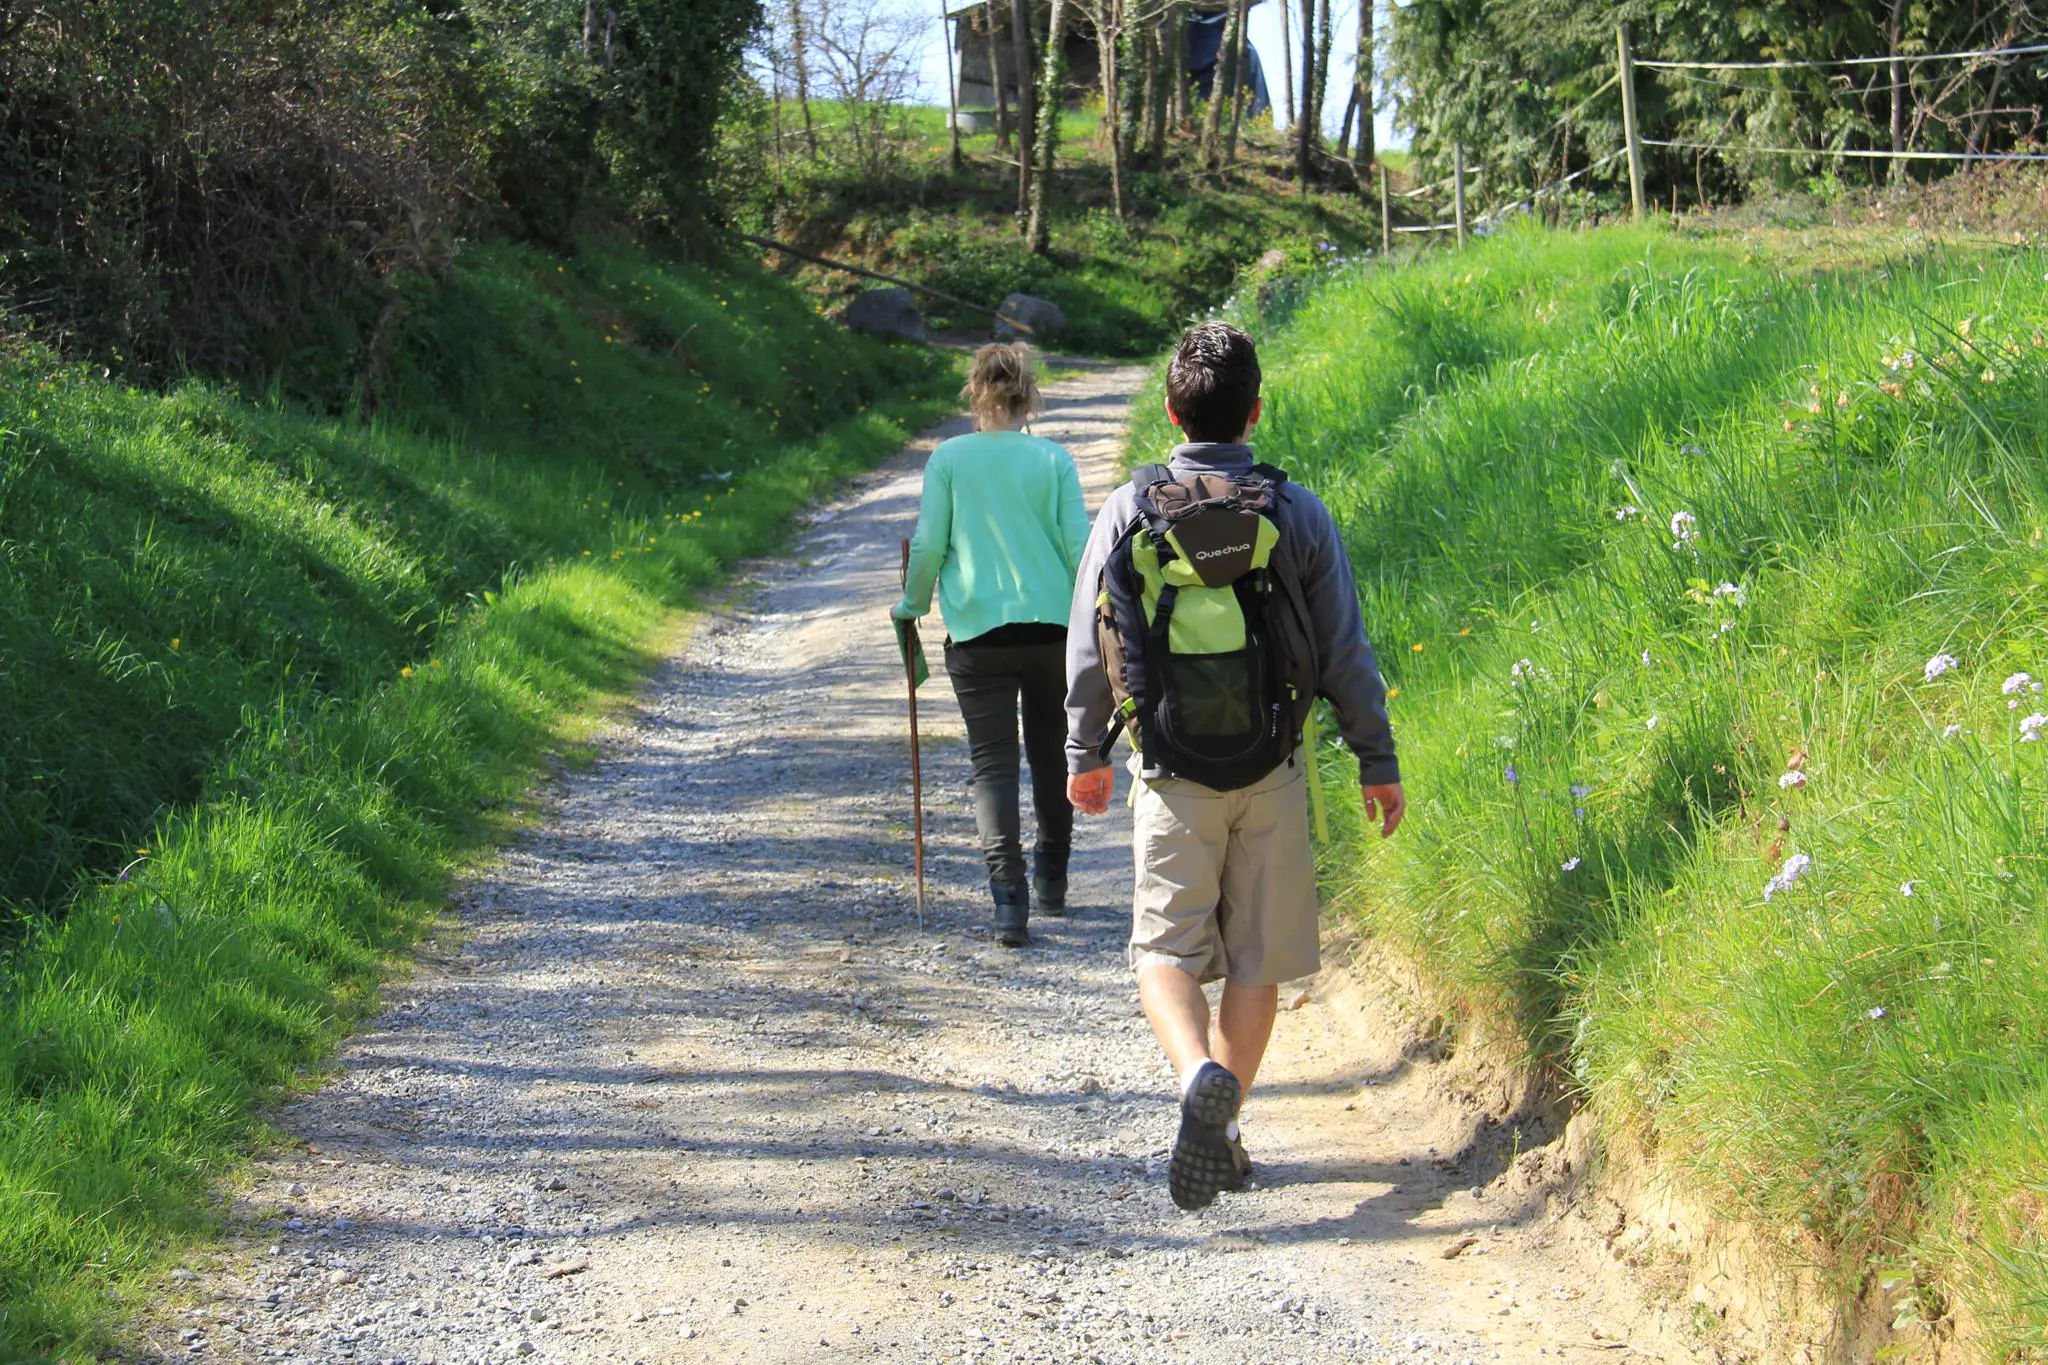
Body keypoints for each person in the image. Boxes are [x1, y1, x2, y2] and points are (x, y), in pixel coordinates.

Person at [1064, 321, 1405, 1210]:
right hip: (1272, 767)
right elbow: (1343, 651)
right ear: (1256, 409)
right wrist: (1377, 757)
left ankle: (1194, 1080)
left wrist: (1083, 749)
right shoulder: (1295, 512)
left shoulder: (1130, 509)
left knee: (1164, 952)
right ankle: (1225, 1122)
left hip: (1170, 772)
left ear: (1172, 411)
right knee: (1257, 961)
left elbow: (1091, 641)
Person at [895, 343, 1089, 947]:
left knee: (993, 763)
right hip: (1054, 631)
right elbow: (1080, 546)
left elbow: (929, 546)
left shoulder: (949, 459)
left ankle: (1010, 902)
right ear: (1028, 395)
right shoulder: (1053, 458)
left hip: (978, 634)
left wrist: (912, 604)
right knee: (1054, 754)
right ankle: (1053, 875)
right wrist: (1100, 615)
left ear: (974, 393)